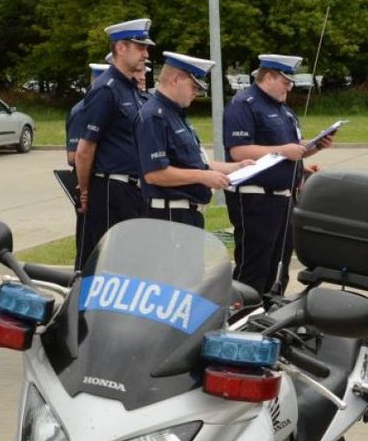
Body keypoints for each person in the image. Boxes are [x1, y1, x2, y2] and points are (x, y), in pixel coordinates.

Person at [223, 54, 334, 295]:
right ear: (269, 77)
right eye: (286, 82)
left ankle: (271, 311)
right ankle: (243, 314)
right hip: (255, 198)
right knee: (255, 269)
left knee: (278, 269)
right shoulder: (244, 105)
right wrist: (284, 151)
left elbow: (288, 149)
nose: (289, 87)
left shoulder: (283, 110)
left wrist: (314, 148)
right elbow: (238, 150)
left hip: (284, 199)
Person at [136, 52, 251, 227]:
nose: (196, 93)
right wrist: (202, 177)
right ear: (176, 80)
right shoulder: (154, 116)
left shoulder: (175, 114)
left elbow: (194, 163)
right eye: (193, 86)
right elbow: (154, 174)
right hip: (169, 216)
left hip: (186, 214)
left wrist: (236, 167)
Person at [73, 18, 152, 267]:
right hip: (112, 190)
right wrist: (85, 190)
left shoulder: (130, 89)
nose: (146, 54)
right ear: (120, 48)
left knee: (132, 263)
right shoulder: (106, 89)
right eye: (140, 47)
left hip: (134, 190)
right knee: (106, 263)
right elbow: (85, 149)